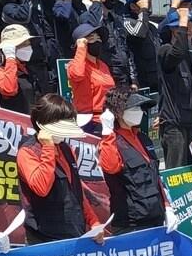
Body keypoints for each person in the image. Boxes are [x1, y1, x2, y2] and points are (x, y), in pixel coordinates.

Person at [16, 95, 104, 244]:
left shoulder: (66, 149)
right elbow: (41, 187)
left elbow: (77, 192)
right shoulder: (28, 152)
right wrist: (48, 147)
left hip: (75, 232)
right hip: (45, 238)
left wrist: (94, 222)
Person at [98, 88, 165, 233]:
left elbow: (156, 178)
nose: (140, 112)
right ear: (117, 112)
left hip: (156, 216)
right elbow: (111, 167)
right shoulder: (111, 141)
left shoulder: (143, 138)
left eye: (140, 108)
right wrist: (107, 131)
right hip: (131, 224)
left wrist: (168, 207)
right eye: (134, 108)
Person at [157, 0, 192, 168]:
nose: (189, 28)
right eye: (184, 26)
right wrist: (181, 20)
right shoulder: (166, 50)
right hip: (174, 126)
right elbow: (177, 52)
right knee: (177, 173)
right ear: (172, 30)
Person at [85, 0, 136, 89]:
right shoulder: (89, 17)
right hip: (105, 76)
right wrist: (96, 2)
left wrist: (133, 78)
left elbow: (126, 49)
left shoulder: (116, 20)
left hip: (123, 77)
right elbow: (93, 26)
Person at [66, 23, 115, 133]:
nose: (97, 41)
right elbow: (77, 74)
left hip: (108, 117)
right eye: (92, 38)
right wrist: (81, 47)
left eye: (99, 38)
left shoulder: (103, 65)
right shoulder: (74, 65)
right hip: (89, 121)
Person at [0, 24, 39, 114]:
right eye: (23, 44)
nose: (28, 47)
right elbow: (9, 90)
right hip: (16, 124)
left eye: (28, 44)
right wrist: (10, 58)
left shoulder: (28, 70)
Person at [123, 0, 161, 93]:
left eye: (149, 0)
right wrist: (143, 10)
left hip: (157, 79)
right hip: (141, 81)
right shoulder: (127, 22)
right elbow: (139, 33)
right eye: (143, 1)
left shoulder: (152, 27)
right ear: (132, 6)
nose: (148, 3)